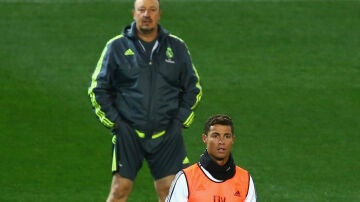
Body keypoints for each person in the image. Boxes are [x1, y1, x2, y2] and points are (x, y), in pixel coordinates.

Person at [87, 0, 202, 201]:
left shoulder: (176, 47)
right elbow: (98, 88)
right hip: (129, 133)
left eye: (152, 10)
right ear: (134, 13)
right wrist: (117, 122)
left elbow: (193, 88)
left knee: (170, 193)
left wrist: (179, 121)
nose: (146, 15)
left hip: (166, 135)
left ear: (159, 14)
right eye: (141, 10)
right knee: (119, 189)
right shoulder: (116, 47)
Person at [166, 114, 256, 202]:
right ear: (205, 138)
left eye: (227, 136)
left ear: (233, 139)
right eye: (215, 136)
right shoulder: (185, 179)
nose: (221, 141)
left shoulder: (245, 179)